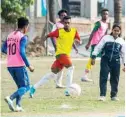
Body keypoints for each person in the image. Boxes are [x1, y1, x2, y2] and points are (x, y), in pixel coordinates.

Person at [29, 16, 80, 98]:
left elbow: (77, 39)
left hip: (63, 56)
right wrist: (41, 42)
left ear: (70, 23)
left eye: (68, 23)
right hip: (61, 54)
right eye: (65, 23)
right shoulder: (59, 31)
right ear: (63, 23)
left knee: (52, 75)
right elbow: (47, 35)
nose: (67, 24)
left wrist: (78, 43)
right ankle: (67, 90)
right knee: (71, 68)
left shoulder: (74, 31)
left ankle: (34, 87)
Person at [1, 17, 34, 112]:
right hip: (19, 65)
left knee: (20, 86)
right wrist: (29, 65)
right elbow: (22, 53)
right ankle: (10, 98)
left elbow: (3, 49)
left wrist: (12, 54)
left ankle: (18, 106)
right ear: (25, 27)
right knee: (26, 87)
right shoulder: (23, 37)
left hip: (10, 65)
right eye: (27, 27)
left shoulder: (10, 35)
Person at [91, 24, 125, 101]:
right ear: (112, 30)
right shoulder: (106, 38)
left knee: (115, 79)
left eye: (118, 31)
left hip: (116, 62)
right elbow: (98, 47)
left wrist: (124, 65)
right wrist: (93, 56)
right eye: (115, 30)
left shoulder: (121, 41)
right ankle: (102, 95)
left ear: (119, 32)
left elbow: (124, 54)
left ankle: (114, 96)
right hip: (105, 60)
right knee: (103, 77)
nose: (116, 32)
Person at [50, 9, 78, 88]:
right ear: (59, 17)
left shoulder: (67, 26)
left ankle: (58, 82)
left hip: (66, 50)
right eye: (61, 15)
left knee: (61, 66)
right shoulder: (56, 25)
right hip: (60, 50)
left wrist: (75, 47)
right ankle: (60, 83)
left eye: (64, 15)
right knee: (66, 66)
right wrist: (55, 46)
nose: (63, 16)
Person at [81, 9, 109, 82]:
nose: (105, 15)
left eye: (106, 14)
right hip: (95, 43)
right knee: (92, 59)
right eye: (104, 14)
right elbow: (93, 33)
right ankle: (84, 76)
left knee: (106, 58)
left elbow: (105, 35)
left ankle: (107, 75)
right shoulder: (98, 23)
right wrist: (88, 43)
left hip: (102, 44)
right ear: (101, 15)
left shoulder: (107, 24)